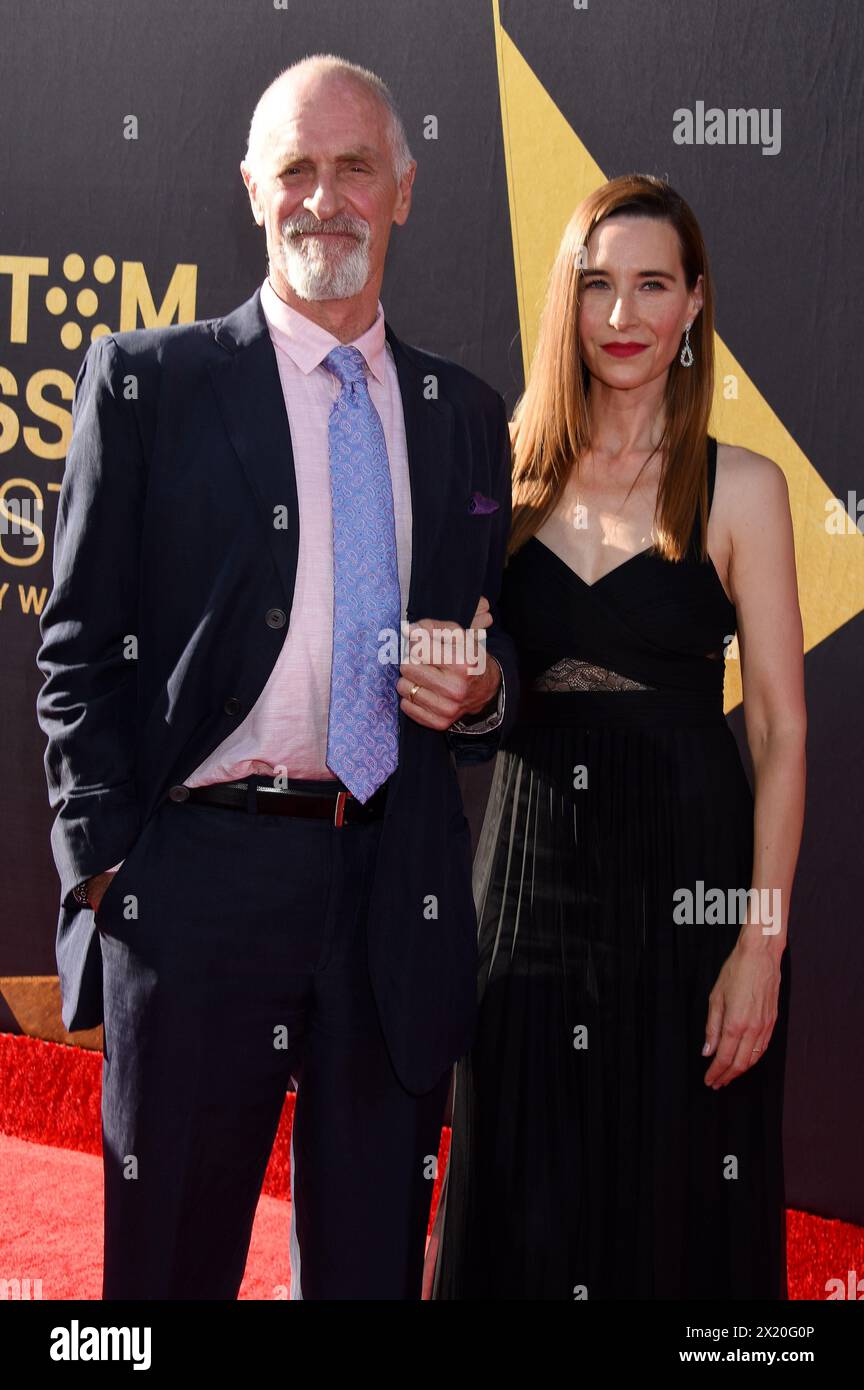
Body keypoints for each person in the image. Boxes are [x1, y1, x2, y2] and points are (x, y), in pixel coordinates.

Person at [35, 53, 518, 1301]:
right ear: (252, 188)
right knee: (169, 1272)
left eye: (354, 165)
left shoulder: (464, 414)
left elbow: (493, 638)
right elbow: (77, 647)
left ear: (403, 189)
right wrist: (110, 870)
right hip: (198, 886)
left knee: (364, 1274)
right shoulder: (152, 382)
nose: (325, 197)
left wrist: (484, 691)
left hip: (391, 885)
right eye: (295, 168)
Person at [426, 174, 806, 1299]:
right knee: (524, 1177)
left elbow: (783, 728)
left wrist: (761, 942)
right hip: (530, 877)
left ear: (696, 304)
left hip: (693, 885)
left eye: (652, 285)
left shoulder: (742, 488)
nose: (623, 316)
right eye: (598, 286)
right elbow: (461, 678)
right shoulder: (500, 475)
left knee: (684, 1194)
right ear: (567, 301)